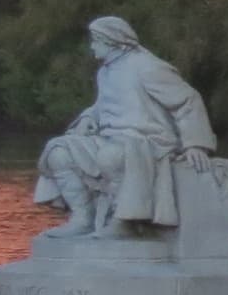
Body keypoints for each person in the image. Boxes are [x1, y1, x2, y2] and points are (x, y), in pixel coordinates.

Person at [32, 17, 217, 240]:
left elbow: (187, 100)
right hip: (110, 136)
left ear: (113, 42)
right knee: (57, 152)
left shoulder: (147, 67)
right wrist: (87, 118)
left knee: (112, 155)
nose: (92, 46)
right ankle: (82, 218)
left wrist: (196, 144)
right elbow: (102, 106)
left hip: (149, 139)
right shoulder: (105, 72)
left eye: (96, 41)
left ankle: (123, 221)